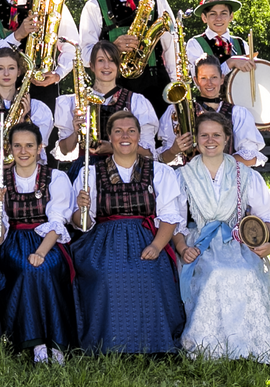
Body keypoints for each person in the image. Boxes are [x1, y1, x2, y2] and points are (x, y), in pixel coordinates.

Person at [168, 113, 270, 363]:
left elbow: (267, 215)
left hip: (238, 241)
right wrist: (181, 249)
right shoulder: (183, 176)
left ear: (227, 139)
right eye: (204, 135)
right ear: (196, 140)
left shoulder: (246, 174)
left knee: (247, 273)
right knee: (216, 273)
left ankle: (252, 345)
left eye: (216, 135)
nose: (210, 140)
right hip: (199, 244)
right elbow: (175, 222)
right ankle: (210, 347)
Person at [67, 110, 185, 355]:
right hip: (103, 239)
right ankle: (109, 345)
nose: (125, 136)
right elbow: (81, 224)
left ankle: (153, 345)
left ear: (139, 136)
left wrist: (156, 246)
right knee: (108, 274)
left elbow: (169, 216)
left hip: (148, 237)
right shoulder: (91, 173)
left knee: (148, 271)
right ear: (109, 136)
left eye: (131, 131)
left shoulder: (159, 172)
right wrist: (82, 208)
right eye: (118, 131)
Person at [0, 122, 79, 364]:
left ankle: (57, 341)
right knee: (26, 269)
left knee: (46, 267)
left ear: (40, 147)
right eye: (17, 146)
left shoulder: (55, 177)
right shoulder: (0, 180)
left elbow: (58, 221)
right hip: (14, 240)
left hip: (48, 239)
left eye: (30, 145)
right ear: (9, 148)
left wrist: (41, 252)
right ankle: (37, 343)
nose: (23, 151)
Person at [54, 41, 160, 168]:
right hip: (86, 173)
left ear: (118, 65)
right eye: (100, 60)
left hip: (125, 174)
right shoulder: (73, 102)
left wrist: (112, 147)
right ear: (92, 66)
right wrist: (76, 133)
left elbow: (148, 152)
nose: (106, 66)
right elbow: (64, 150)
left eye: (111, 60)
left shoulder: (136, 102)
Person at [156, 56, 267, 166]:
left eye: (214, 77)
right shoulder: (176, 111)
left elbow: (251, 157)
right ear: (196, 80)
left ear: (222, 79)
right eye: (203, 78)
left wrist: (217, 165)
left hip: (228, 180)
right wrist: (173, 150)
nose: (209, 83)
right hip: (190, 181)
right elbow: (163, 160)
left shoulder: (238, 113)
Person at [184, 0, 255, 74]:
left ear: (231, 16)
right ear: (204, 18)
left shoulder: (241, 44)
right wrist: (230, 62)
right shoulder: (195, 44)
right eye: (213, 14)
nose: (218, 18)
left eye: (223, 13)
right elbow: (200, 78)